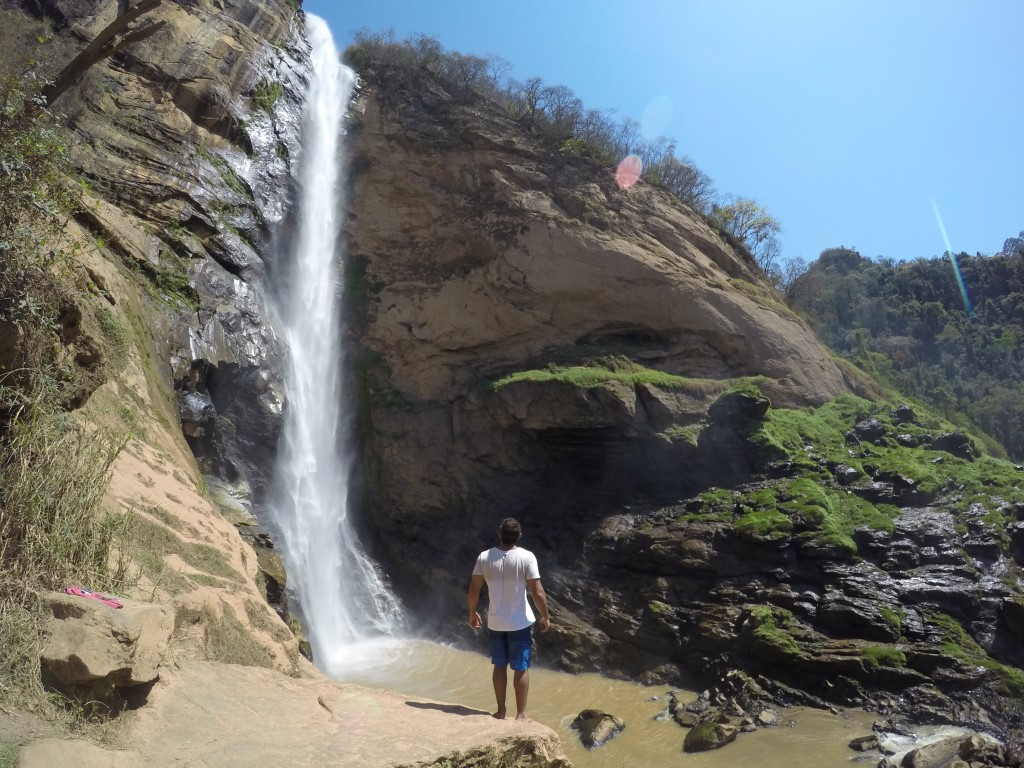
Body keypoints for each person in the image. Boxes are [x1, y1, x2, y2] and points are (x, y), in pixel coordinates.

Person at [467, 517, 550, 721]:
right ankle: (521, 714)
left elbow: (474, 589)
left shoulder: (484, 557)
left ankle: (501, 711)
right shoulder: (527, 557)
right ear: (519, 536)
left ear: (500, 535)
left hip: (495, 622)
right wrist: (545, 616)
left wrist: (472, 612)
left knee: (499, 666)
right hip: (519, 623)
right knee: (521, 668)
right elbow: (537, 591)